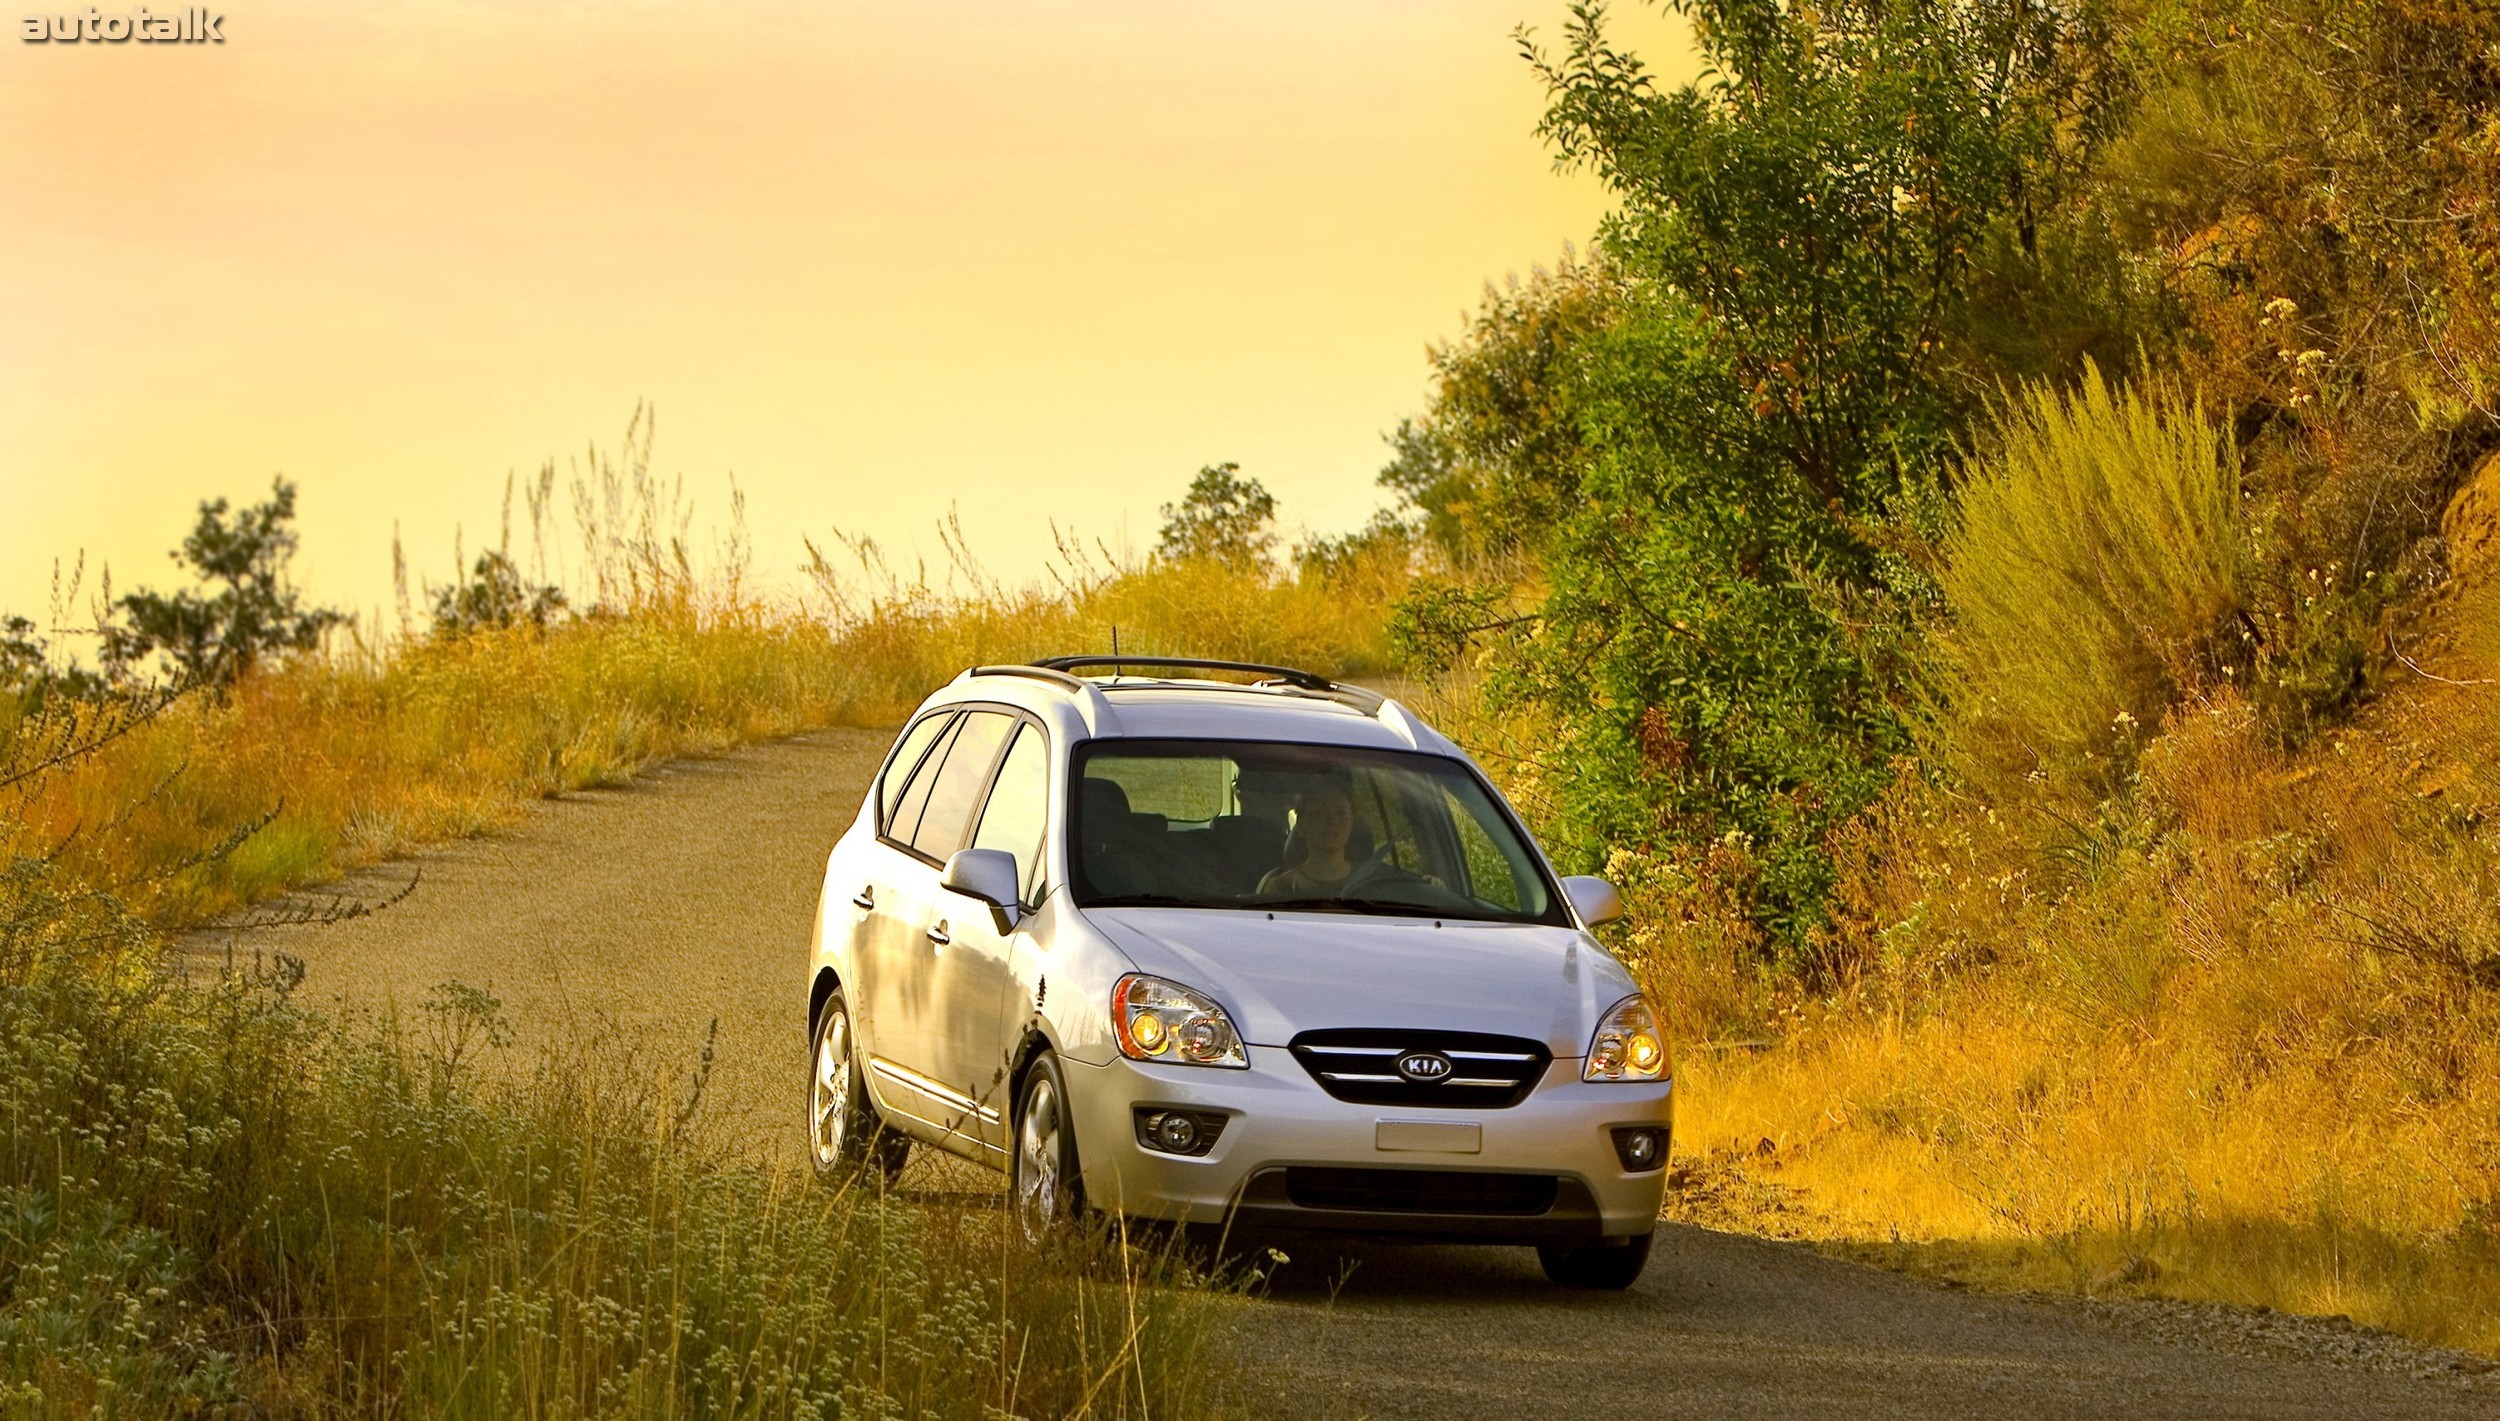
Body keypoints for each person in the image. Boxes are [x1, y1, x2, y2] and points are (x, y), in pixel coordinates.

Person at [1256, 781, 1372, 897]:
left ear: (1352, 823)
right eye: (1320, 812)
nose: (1333, 821)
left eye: (1341, 813)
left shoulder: (1374, 882)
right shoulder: (1280, 887)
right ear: (1301, 825)